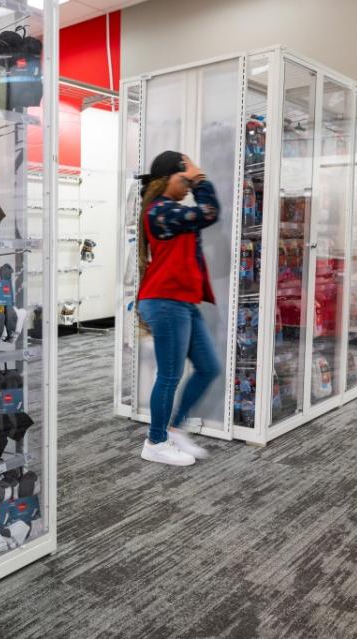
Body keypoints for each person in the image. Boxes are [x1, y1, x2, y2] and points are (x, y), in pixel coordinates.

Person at [136, 150, 221, 466]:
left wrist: (194, 178)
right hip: (165, 301)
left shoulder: (172, 211)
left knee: (209, 367)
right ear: (166, 180)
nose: (188, 186)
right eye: (183, 180)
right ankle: (155, 441)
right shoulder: (159, 212)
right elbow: (209, 212)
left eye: (189, 181)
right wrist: (200, 179)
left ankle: (172, 428)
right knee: (170, 375)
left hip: (182, 301)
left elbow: (204, 214)